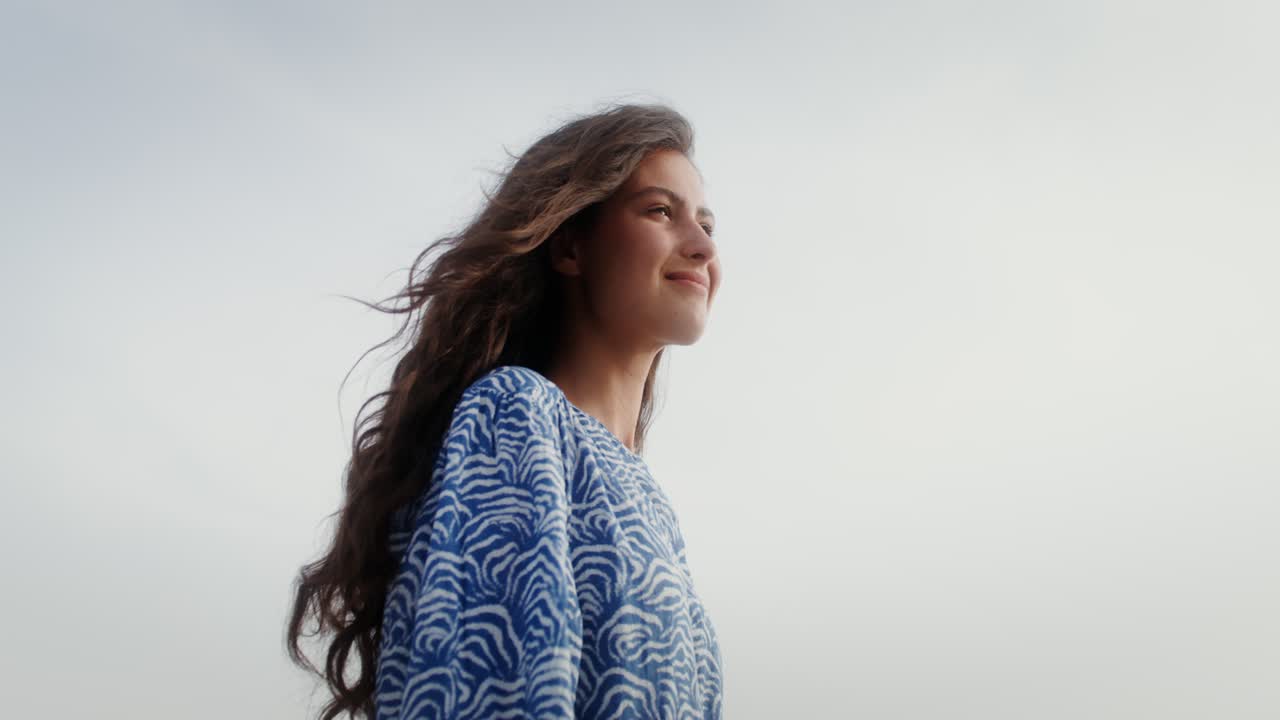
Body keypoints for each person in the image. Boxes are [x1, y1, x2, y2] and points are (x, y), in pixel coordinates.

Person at [286, 102, 724, 719]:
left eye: (708, 223)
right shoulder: (517, 417)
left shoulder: (650, 503)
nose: (704, 245)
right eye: (661, 211)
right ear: (571, 246)